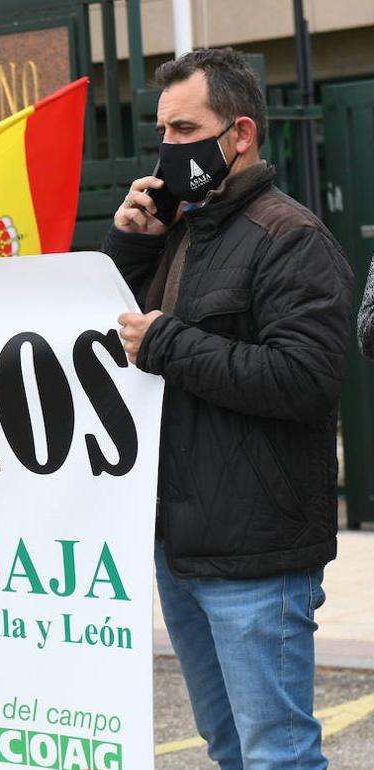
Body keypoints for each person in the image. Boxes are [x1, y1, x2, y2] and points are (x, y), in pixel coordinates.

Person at [107, 49, 350, 770]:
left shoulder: (291, 239)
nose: (168, 148)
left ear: (239, 133)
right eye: (164, 132)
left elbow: (304, 379)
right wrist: (129, 247)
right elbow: (108, 346)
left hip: (257, 552)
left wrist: (172, 343)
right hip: (182, 542)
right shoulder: (184, 228)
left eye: (186, 130)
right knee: (228, 747)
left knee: (277, 753)